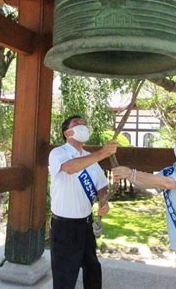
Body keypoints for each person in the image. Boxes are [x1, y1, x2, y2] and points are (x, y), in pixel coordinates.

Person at [112, 131, 176, 289]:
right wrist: (128, 177)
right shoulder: (172, 170)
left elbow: (167, 184)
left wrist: (131, 173)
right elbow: (150, 183)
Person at [48, 115, 117, 289]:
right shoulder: (58, 153)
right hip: (63, 227)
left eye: (85, 124)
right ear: (67, 132)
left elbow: (101, 186)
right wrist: (102, 153)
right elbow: (70, 168)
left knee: (93, 269)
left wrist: (103, 201)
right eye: (77, 123)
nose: (83, 126)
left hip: (86, 225)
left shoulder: (90, 158)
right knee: (64, 275)